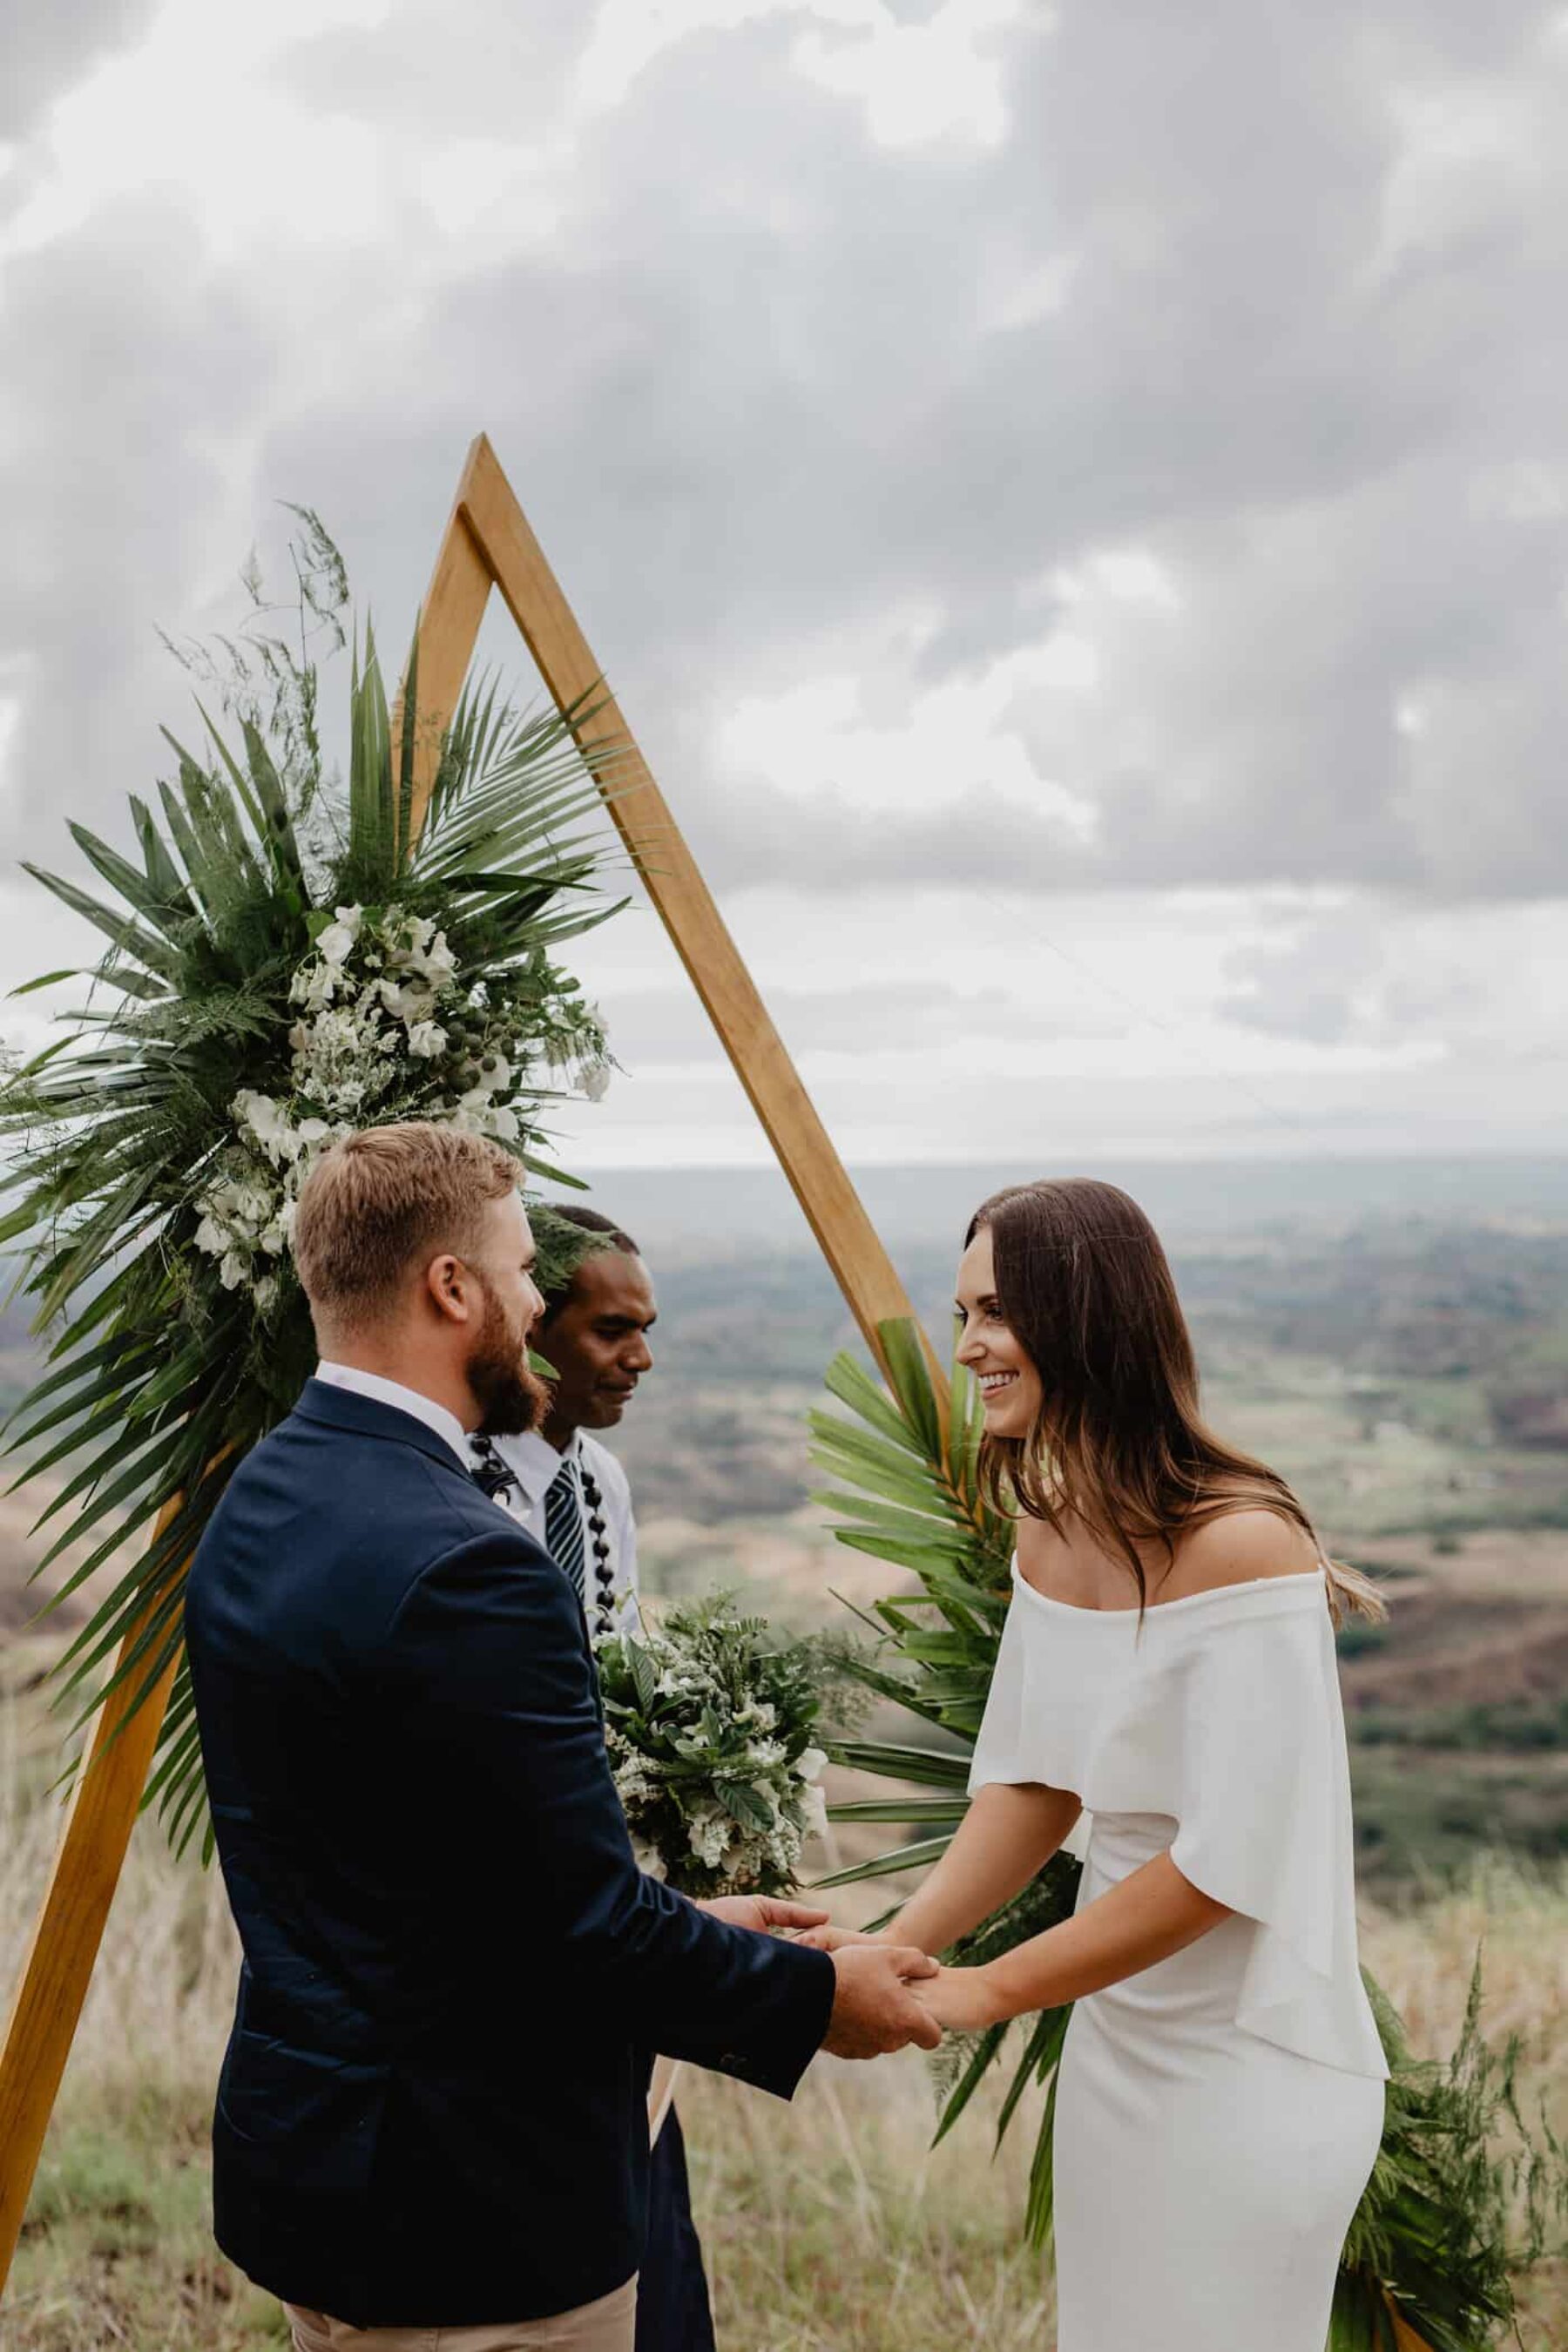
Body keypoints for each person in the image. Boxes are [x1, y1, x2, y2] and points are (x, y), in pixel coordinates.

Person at [182, 1122, 941, 2352]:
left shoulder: (262, 1496)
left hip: (311, 2179)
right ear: (450, 1286)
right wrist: (815, 1996)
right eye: (527, 1270)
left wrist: (690, 1925)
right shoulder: (473, 1564)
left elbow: (445, 1875)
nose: (535, 1299)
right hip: (470, 2218)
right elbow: (583, 1929)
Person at [804, 1179, 1389, 2352]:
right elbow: (1036, 1780)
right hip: (1123, 2052)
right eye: (964, 1311)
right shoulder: (1050, 1521)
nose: (968, 1346)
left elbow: (1226, 1864)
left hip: (1254, 2065)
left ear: (1089, 1319)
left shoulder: (1243, 1542)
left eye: (998, 1313)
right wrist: (903, 1942)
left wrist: (989, 1989)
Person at [469, 1203, 714, 2352]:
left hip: (611, 1915)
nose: (641, 1358)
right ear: (533, 1326)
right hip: (500, 1926)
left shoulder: (601, 1483)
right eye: (614, 1329)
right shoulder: (457, 1488)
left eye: (646, 1329)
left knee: (644, 2213)